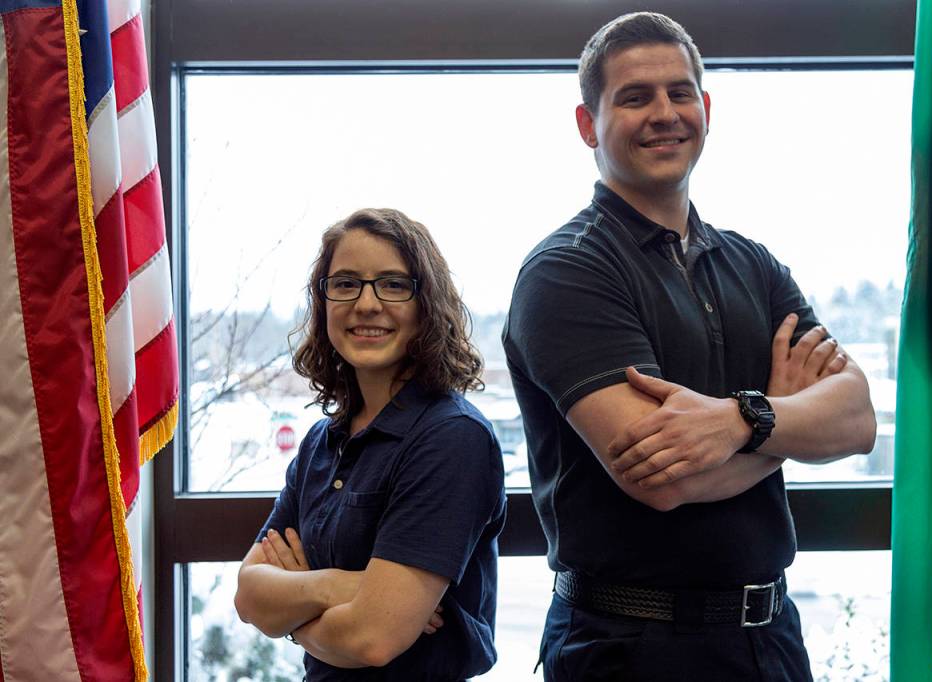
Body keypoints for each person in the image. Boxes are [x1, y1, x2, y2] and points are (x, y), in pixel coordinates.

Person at [502, 12, 877, 682]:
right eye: (635, 97)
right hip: (628, 649)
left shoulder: (752, 264)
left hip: (772, 643)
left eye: (680, 94)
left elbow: (856, 419)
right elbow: (662, 479)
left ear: (706, 110)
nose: (664, 114)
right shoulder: (565, 272)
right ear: (589, 125)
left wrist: (741, 420)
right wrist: (786, 419)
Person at [234, 208, 507, 681]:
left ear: (427, 306)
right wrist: (343, 587)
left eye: (393, 284)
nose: (366, 304)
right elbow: (248, 595)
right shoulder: (323, 440)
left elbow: (373, 640)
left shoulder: (451, 439)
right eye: (345, 283)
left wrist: (294, 609)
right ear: (324, 303)